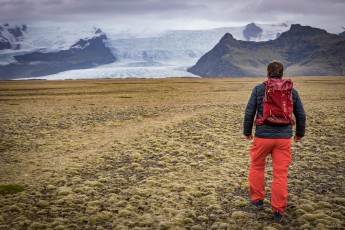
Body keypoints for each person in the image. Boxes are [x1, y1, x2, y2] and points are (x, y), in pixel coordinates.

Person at [243, 60, 306, 222]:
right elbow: (301, 115)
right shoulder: (292, 91)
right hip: (283, 139)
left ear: (268, 73)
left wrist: (247, 132)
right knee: (280, 174)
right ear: (282, 73)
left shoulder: (259, 89)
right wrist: (299, 134)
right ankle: (278, 210)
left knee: (257, 166)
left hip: (262, 137)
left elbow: (249, 112)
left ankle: (257, 200)